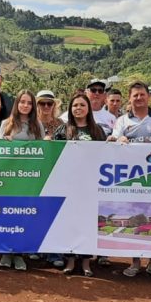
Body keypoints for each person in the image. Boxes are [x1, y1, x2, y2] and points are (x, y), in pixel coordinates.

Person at [109, 82, 151, 279]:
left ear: (149, 97)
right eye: (135, 95)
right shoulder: (122, 120)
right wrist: (118, 139)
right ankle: (135, 263)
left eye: (142, 95)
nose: (139, 98)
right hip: (132, 179)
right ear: (130, 98)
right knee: (136, 219)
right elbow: (113, 139)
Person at [54, 93, 106, 277]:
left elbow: (105, 153)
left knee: (87, 222)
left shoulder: (97, 130)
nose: (78, 108)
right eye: (75, 105)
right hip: (68, 183)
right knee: (70, 222)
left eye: (82, 105)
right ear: (70, 109)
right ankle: (69, 260)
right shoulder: (63, 130)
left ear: (88, 108)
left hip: (90, 184)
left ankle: (86, 262)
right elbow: (54, 154)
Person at [0, 90, 45, 271]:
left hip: (28, 180)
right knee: (7, 215)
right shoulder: (6, 124)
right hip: (9, 179)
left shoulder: (37, 125)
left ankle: (19, 254)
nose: (25, 105)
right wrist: (5, 143)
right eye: (22, 102)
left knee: (23, 217)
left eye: (29, 103)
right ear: (17, 104)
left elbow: (43, 151)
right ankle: (6, 252)